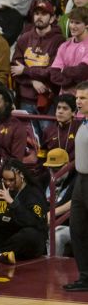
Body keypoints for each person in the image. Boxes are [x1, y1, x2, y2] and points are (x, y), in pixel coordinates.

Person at [64, 82, 88, 291]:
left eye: (83, 98)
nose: (78, 101)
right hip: (81, 180)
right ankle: (85, 276)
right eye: (77, 98)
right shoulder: (83, 122)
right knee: (77, 228)